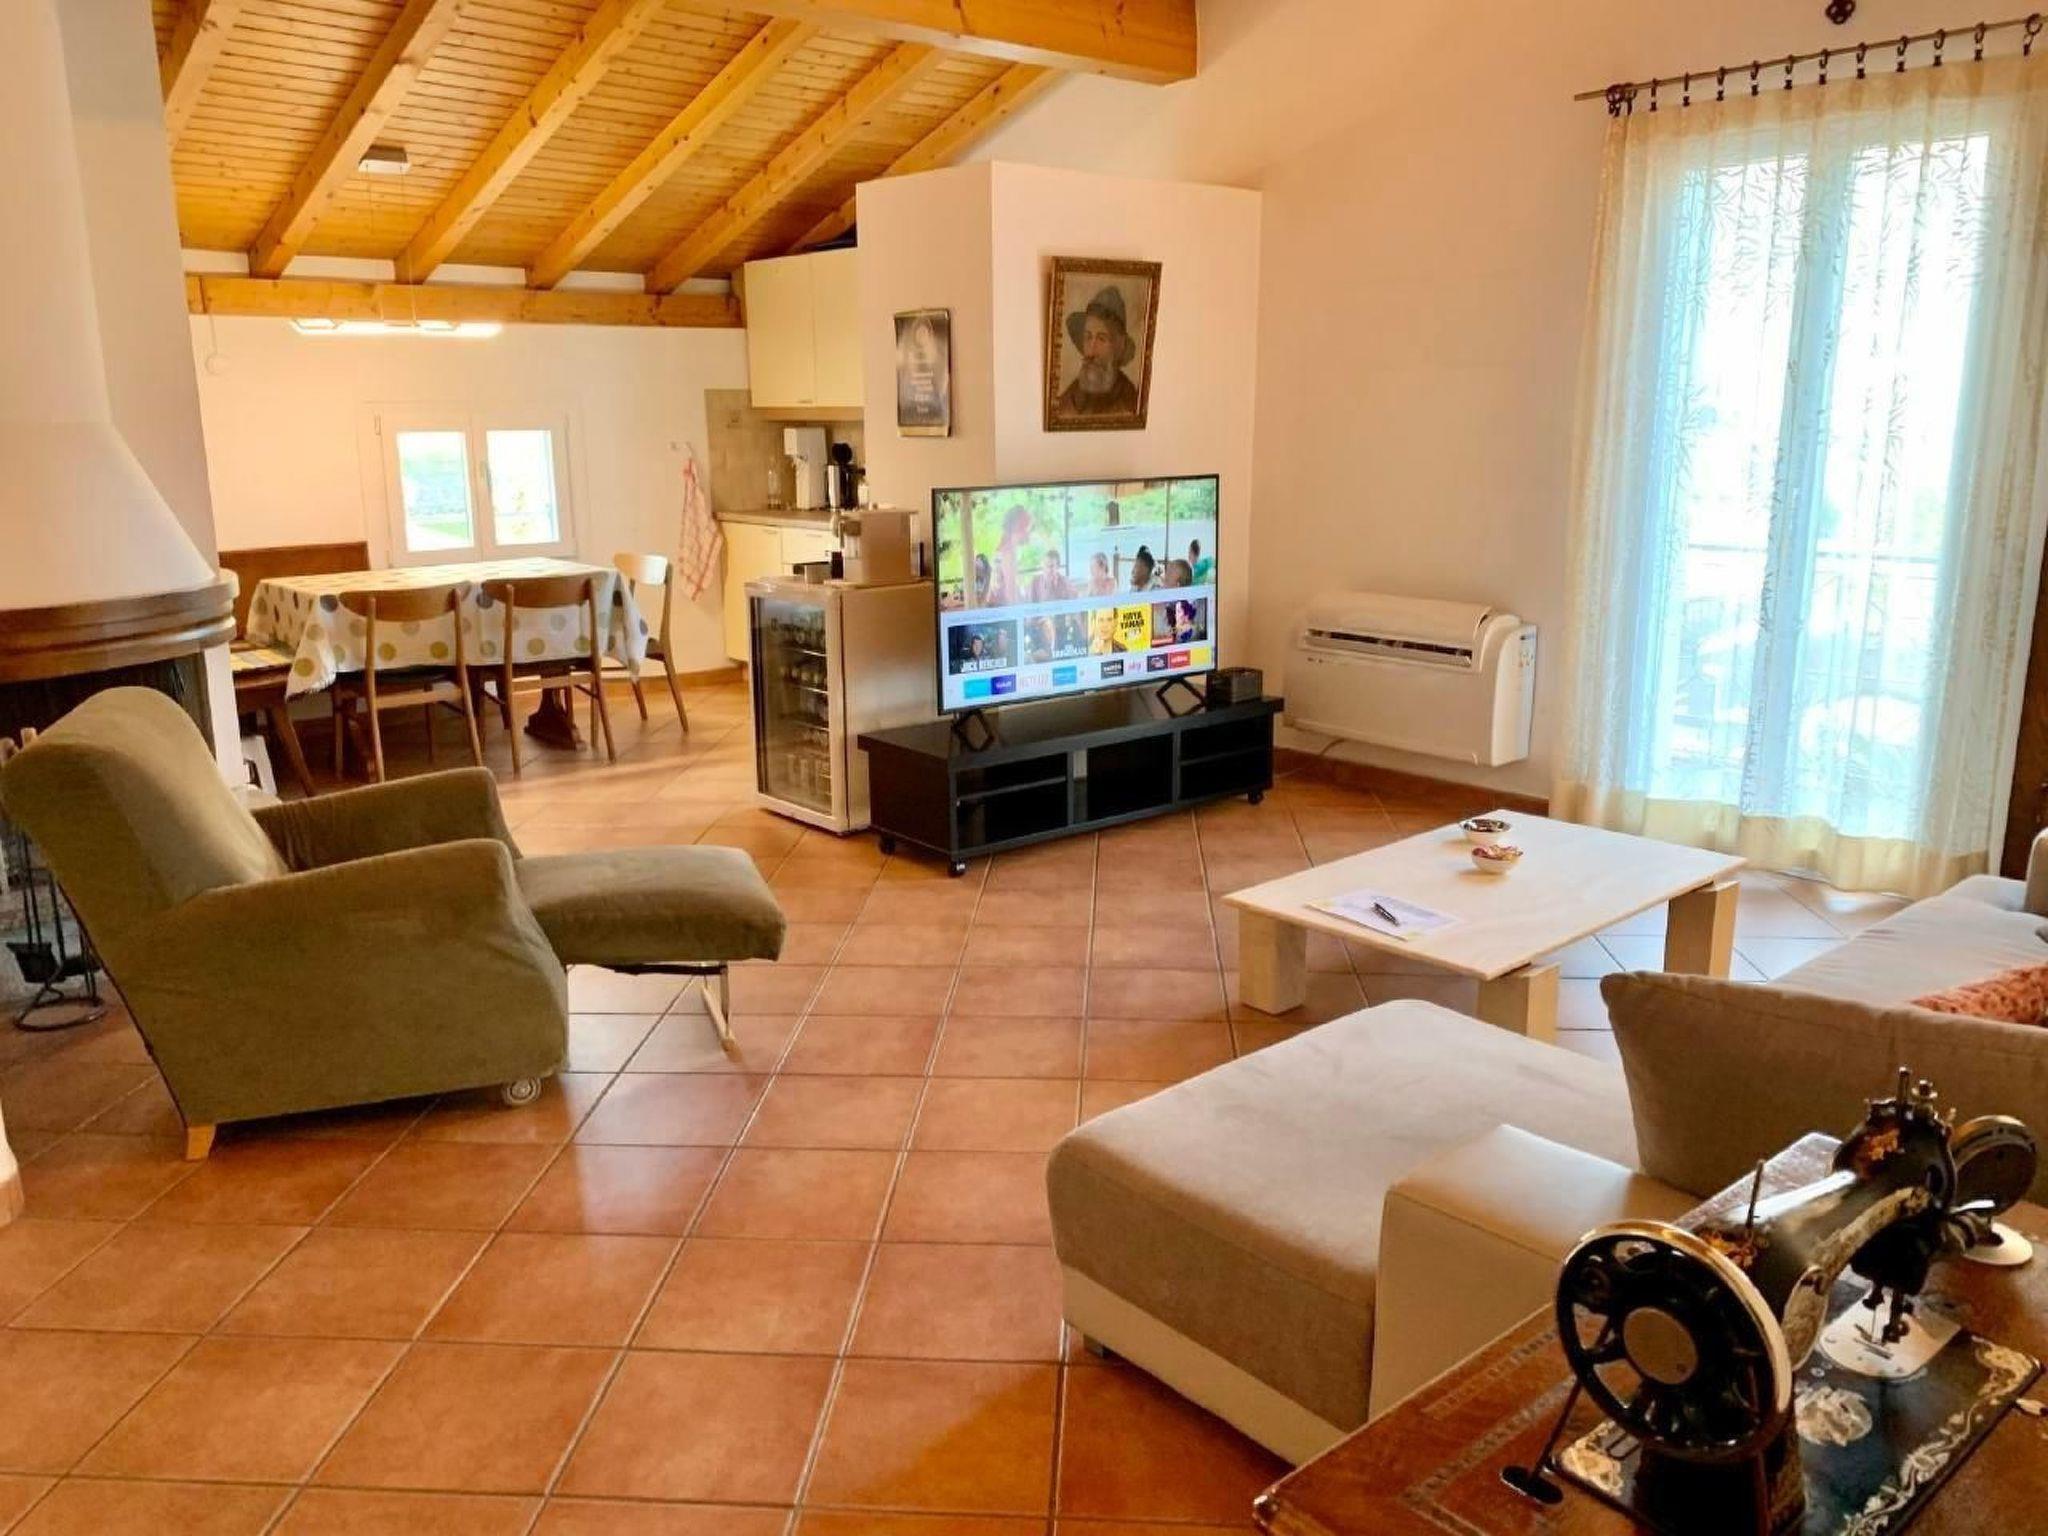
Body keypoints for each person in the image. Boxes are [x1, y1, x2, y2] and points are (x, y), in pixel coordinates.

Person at [1055, 286, 1143, 418]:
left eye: (1101, 339)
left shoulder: (1129, 401)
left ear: (1118, 346)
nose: (1091, 349)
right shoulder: (1070, 396)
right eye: (1088, 337)